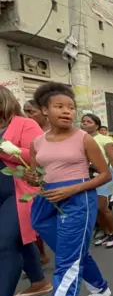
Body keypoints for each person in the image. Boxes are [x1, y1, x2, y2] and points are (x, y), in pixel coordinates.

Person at [28, 82, 112, 296]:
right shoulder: (37, 141)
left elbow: (104, 174)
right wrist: (31, 177)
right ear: (44, 110)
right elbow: (36, 174)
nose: (67, 112)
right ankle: (99, 288)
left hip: (77, 199)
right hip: (47, 200)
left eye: (71, 107)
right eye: (59, 107)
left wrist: (74, 188)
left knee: (66, 263)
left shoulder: (83, 139)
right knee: (71, 252)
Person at [0, 87, 52, 296]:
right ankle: (39, 283)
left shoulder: (24, 124)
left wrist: (5, 148)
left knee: (6, 244)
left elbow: (39, 155)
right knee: (20, 240)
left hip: (18, 189)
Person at [81, 114, 113, 248]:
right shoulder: (79, 139)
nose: (85, 124)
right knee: (96, 208)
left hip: (104, 175)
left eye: (89, 121)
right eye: (83, 121)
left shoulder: (105, 140)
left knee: (103, 207)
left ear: (97, 125)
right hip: (88, 176)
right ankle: (105, 233)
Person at [23, 99, 50, 265]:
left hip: (58, 181)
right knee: (35, 219)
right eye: (25, 111)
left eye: (31, 111)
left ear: (44, 111)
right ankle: (41, 254)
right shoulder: (26, 132)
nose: (27, 115)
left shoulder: (56, 131)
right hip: (34, 182)